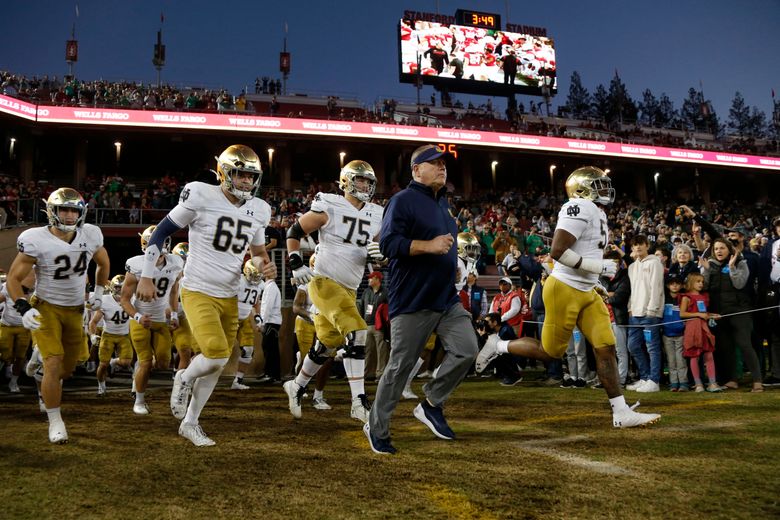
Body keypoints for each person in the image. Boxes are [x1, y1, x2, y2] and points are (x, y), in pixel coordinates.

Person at [474, 167, 660, 428]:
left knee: (605, 348)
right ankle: (499, 345)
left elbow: (585, 251)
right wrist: (599, 269)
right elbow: (558, 250)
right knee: (551, 353)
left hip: (586, 290)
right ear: (583, 189)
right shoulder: (579, 207)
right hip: (564, 289)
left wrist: (594, 282)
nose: (605, 190)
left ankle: (620, 412)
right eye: (599, 185)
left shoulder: (598, 212)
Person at [136, 144, 275, 447]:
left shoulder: (260, 209)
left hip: (230, 293)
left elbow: (258, 252)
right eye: (240, 175)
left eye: (251, 177)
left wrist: (265, 265)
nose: (246, 183)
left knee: (219, 359)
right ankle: (183, 377)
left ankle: (191, 422)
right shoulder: (200, 194)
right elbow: (160, 233)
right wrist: (147, 274)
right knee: (213, 352)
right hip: (197, 288)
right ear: (224, 172)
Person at [365, 144, 479, 455]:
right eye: (434, 163)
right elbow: (388, 244)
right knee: (400, 366)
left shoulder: (443, 206)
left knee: (468, 349)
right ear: (417, 170)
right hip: (413, 299)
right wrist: (428, 246)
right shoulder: (402, 201)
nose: (442, 168)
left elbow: (444, 247)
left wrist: (451, 264)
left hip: (445, 298)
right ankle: (377, 427)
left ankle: (431, 403)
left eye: (444, 164)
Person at [282, 159, 383, 423]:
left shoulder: (376, 213)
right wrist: (295, 262)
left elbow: (378, 251)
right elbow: (295, 230)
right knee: (358, 332)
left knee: (328, 343)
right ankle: (358, 401)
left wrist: (382, 255)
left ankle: (297, 385)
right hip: (324, 282)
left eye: (368, 181)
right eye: (360, 180)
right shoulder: (331, 204)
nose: (364, 185)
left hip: (350, 288)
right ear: (347, 181)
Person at [7, 187, 110, 443]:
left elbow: (103, 262)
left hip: (75, 310)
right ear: (51, 211)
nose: (68, 215)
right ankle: (55, 421)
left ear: (81, 212)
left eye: (73, 210)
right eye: (63, 209)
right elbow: (14, 278)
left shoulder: (90, 234)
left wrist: (98, 289)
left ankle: (39, 367)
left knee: (66, 370)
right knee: (54, 362)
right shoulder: (35, 238)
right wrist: (23, 306)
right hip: (46, 306)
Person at [700, 238, 763, 392]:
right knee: (726, 348)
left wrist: (731, 267)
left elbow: (739, 283)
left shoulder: (741, 263)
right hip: (719, 313)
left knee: (745, 345)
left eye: (722, 248)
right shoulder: (711, 265)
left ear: (729, 249)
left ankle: (757, 381)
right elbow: (705, 286)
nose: (719, 251)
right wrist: (707, 270)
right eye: (716, 249)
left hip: (739, 311)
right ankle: (732, 379)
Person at [626, 235, 665, 393]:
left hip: (650, 312)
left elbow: (656, 287)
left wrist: (652, 308)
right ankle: (645, 377)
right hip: (634, 313)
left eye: (641, 244)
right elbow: (633, 289)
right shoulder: (632, 267)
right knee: (633, 345)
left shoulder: (655, 263)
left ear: (647, 245)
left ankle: (654, 380)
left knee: (652, 347)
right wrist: (630, 307)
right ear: (632, 248)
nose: (638, 247)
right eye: (635, 245)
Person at [89, 275, 132, 396]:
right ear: (112, 287)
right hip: (108, 335)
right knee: (103, 365)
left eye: (122, 287)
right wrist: (92, 335)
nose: (119, 290)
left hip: (124, 336)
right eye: (117, 287)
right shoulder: (105, 300)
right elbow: (93, 322)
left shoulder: (132, 299)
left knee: (126, 362)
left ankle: (113, 362)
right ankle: (101, 387)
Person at [679, 272, 721, 392]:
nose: (701, 284)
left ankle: (712, 383)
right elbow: (682, 314)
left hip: (704, 328)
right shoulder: (686, 297)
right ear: (691, 282)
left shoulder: (704, 297)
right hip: (692, 328)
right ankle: (698, 384)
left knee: (709, 354)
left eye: (702, 282)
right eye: (698, 281)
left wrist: (712, 315)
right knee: (694, 356)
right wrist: (698, 314)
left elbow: (705, 314)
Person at [231, 259, 263, 390]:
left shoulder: (261, 285)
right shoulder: (237, 280)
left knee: (248, 350)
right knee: (219, 351)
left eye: (258, 275)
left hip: (245, 319)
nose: (256, 278)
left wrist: (257, 316)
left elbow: (255, 302)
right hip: (230, 318)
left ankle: (237, 380)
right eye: (253, 275)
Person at [0, 271, 34, 393]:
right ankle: (8, 365)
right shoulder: (8, 286)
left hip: (24, 327)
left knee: (20, 357)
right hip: (7, 325)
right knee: (4, 353)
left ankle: (13, 382)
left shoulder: (35, 290)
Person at [358, 271, 389, 381]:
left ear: (377, 279)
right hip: (367, 325)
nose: (369, 280)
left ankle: (380, 374)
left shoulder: (385, 292)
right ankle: (368, 373)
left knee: (381, 351)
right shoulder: (366, 291)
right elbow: (361, 306)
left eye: (371, 278)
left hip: (379, 326)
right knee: (368, 350)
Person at [661, 274, 689, 392]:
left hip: (681, 334)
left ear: (682, 285)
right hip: (667, 334)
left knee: (680, 360)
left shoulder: (684, 298)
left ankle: (683, 383)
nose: (675, 286)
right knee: (671, 360)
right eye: (672, 283)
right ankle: (673, 383)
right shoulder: (663, 298)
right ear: (668, 285)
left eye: (677, 283)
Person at [258, 265, 282, 383]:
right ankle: (270, 373)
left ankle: (272, 374)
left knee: (270, 348)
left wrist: (262, 322)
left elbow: (267, 306)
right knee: (269, 348)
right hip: (271, 322)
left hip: (271, 322)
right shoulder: (270, 286)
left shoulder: (271, 287)